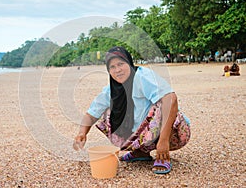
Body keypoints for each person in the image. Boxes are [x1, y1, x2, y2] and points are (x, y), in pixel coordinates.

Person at [73, 46, 191, 174]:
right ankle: (140, 151)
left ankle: (163, 155)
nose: (117, 70)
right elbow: (91, 114)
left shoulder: (142, 77)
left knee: (163, 102)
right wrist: (82, 133)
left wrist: (163, 142)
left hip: (174, 131)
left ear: (129, 62)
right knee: (108, 113)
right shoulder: (110, 90)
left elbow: (171, 99)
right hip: (145, 134)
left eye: (121, 64)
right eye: (112, 67)